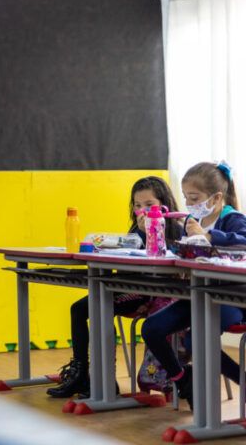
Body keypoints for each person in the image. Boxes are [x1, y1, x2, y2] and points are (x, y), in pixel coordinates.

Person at [48, 176, 183, 398]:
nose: (142, 211)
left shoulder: (175, 229)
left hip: (152, 295)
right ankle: (81, 372)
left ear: (164, 203)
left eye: (149, 205)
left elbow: (166, 262)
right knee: (80, 308)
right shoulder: (135, 227)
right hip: (130, 288)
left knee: (99, 306)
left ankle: (104, 381)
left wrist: (149, 232)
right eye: (137, 206)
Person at [142, 161, 246, 409]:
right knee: (152, 329)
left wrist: (210, 236)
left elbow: (243, 242)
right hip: (198, 295)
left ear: (216, 197)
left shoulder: (232, 219)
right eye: (186, 197)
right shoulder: (191, 220)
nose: (189, 204)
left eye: (194, 197)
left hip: (231, 299)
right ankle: (182, 379)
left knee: (195, 341)